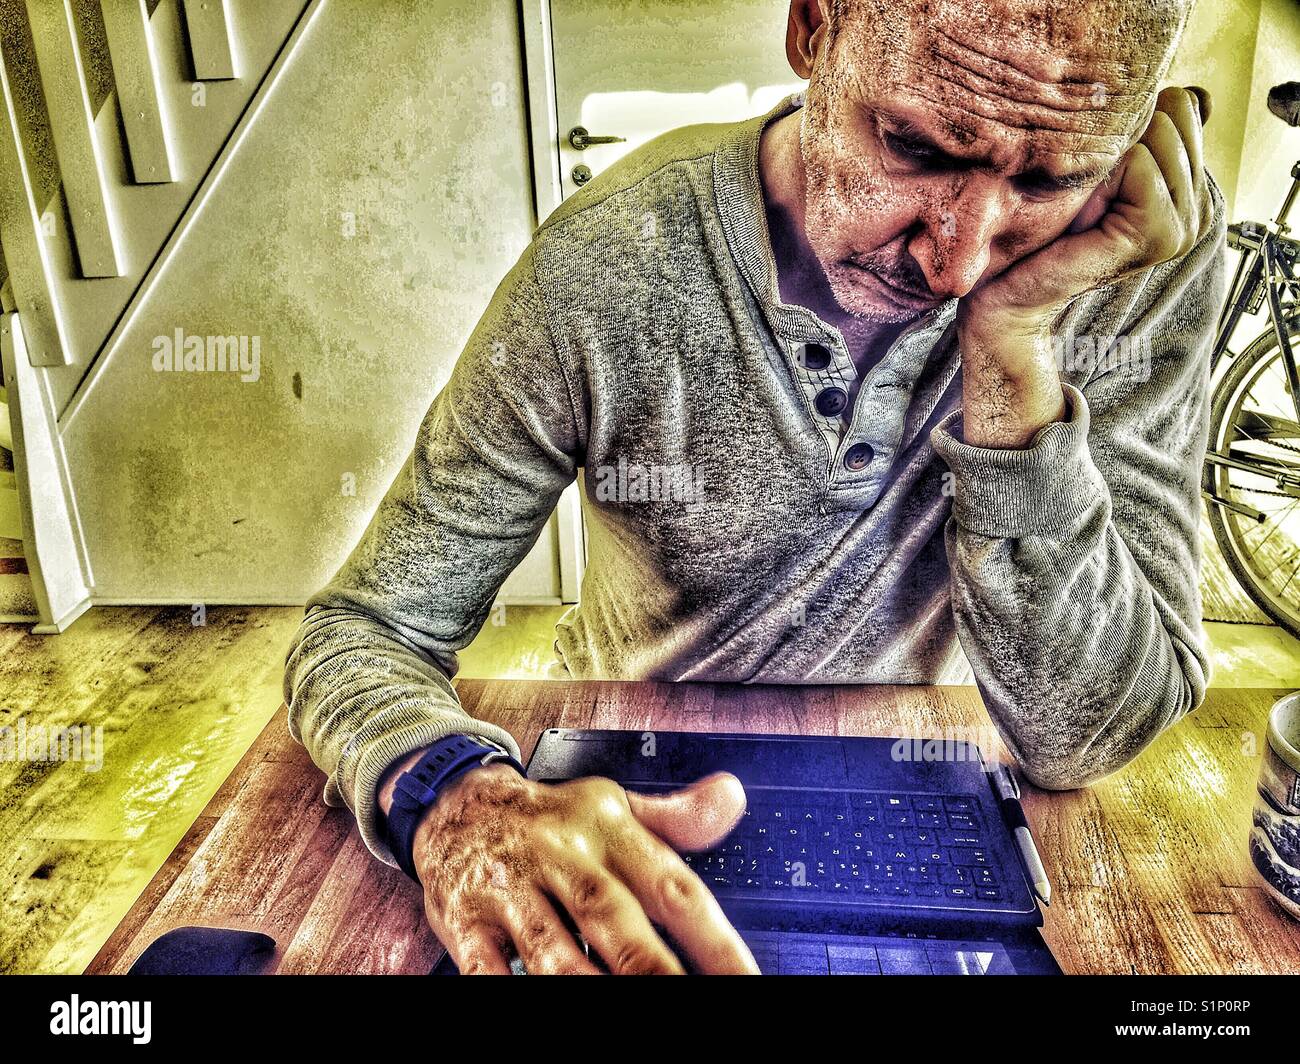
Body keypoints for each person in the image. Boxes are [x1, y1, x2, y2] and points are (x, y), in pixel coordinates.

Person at [284, 0, 1223, 974]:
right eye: (912, 145)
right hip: (626, 772)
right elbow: (364, 628)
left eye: (1048, 179)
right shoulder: (611, 261)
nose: (957, 260)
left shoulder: (1134, 247)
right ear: (813, 27)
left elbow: (1081, 736)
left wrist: (1015, 349)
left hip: (923, 782)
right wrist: (454, 793)